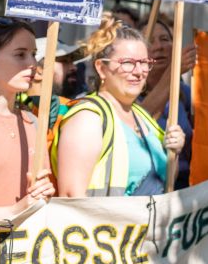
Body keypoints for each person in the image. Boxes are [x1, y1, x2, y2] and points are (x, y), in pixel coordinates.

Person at [52, 15, 184, 197]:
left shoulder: (142, 116)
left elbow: (162, 183)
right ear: (101, 68)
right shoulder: (88, 119)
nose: (139, 72)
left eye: (144, 63)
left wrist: (174, 153)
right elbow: (71, 197)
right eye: (128, 63)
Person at [0, 16, 55, 217]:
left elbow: (39, 198)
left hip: (23, 246)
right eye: (20, 55)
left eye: (34, 54)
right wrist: (15, 211)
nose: (32, 63)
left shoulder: (34, 121)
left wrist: (44, 194)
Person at [139, 14, 196, 188]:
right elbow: (139, 119)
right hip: (149, 188)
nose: (158, 47)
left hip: (185, 187)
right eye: (150, 41)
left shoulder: (185, 94)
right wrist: (173, 71)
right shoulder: (130, 92)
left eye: (165, 39)